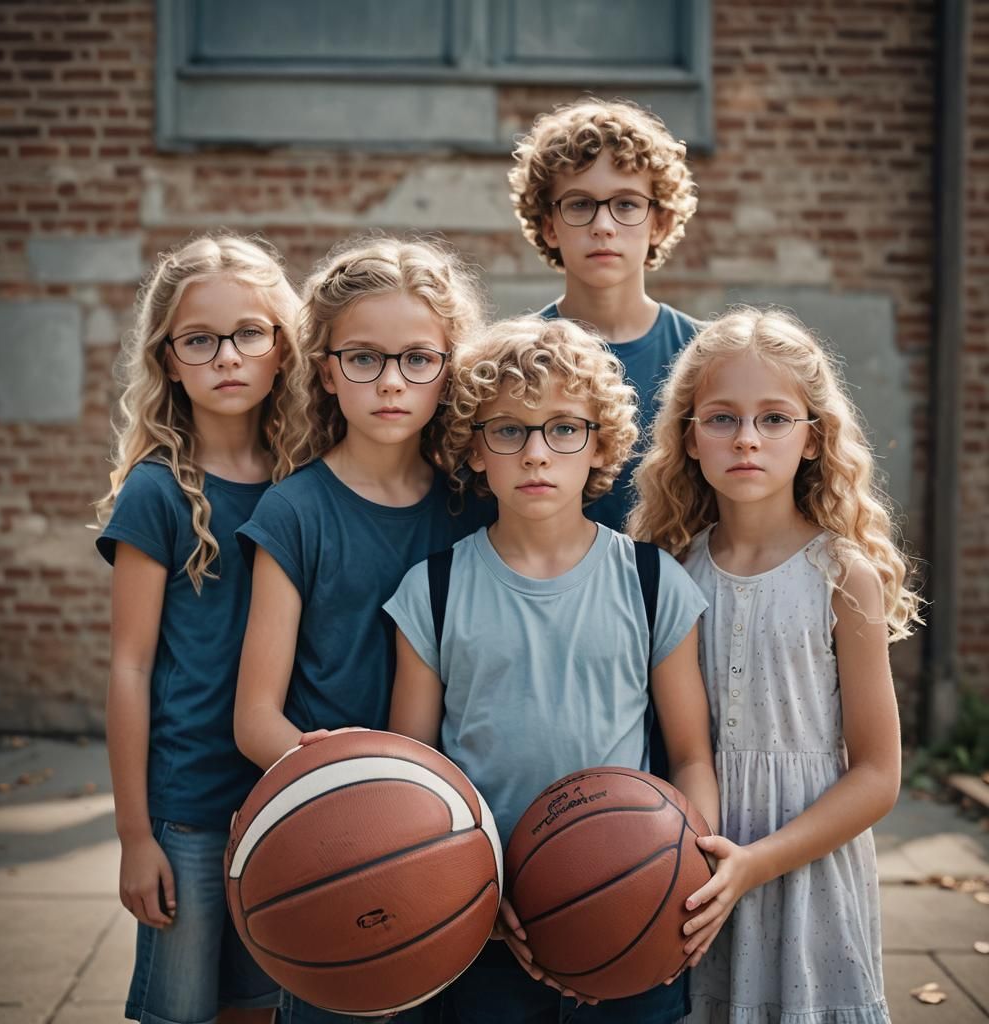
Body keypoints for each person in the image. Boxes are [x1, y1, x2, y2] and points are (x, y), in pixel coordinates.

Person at [385, 315, 719, 1024]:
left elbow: (690, 756)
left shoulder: (651, 581)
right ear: (474, 450)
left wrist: (685, 873)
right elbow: (417, 778)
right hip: (484, 924)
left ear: (600, 446)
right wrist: (470, 889)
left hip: (633, 908)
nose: (536, 453)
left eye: (563, 428)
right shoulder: (434, 589)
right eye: (508, 430)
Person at [627, 307, 923, 1024]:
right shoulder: (669, 571)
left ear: (815, 438)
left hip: (810, 869)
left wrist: (759, 862)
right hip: (694, 860)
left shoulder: (841, 575)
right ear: (689, 437)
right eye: (722, 418)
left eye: (774, 419)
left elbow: (879, 776)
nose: (747, 439)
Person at [232, 235, 492, 1024]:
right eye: (363, 359)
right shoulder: (294, 513)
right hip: (332, 841)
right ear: (324, 369)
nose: (390, 383)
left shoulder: (478, 506)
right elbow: (255, 719)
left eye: (418, 359)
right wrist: (361, 799)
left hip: (458, 840)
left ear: (449, 370)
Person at [96, 234, 304, 1024]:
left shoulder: (306, 483)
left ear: (282, 349)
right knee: (180, 1011)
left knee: (258, 1005)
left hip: (282, 802)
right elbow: (129, 667)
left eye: (249, 333)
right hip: (186, 809)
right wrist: (132, 834)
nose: (227, 356)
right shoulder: (156, 494)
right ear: (169, 358)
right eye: (200, 340)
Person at [508, 97, 701, 531]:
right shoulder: (511, 363)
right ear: (549, 226)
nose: (604, 225)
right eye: (579, 204)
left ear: (661, 222)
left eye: (627, 204)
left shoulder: (704, 357)